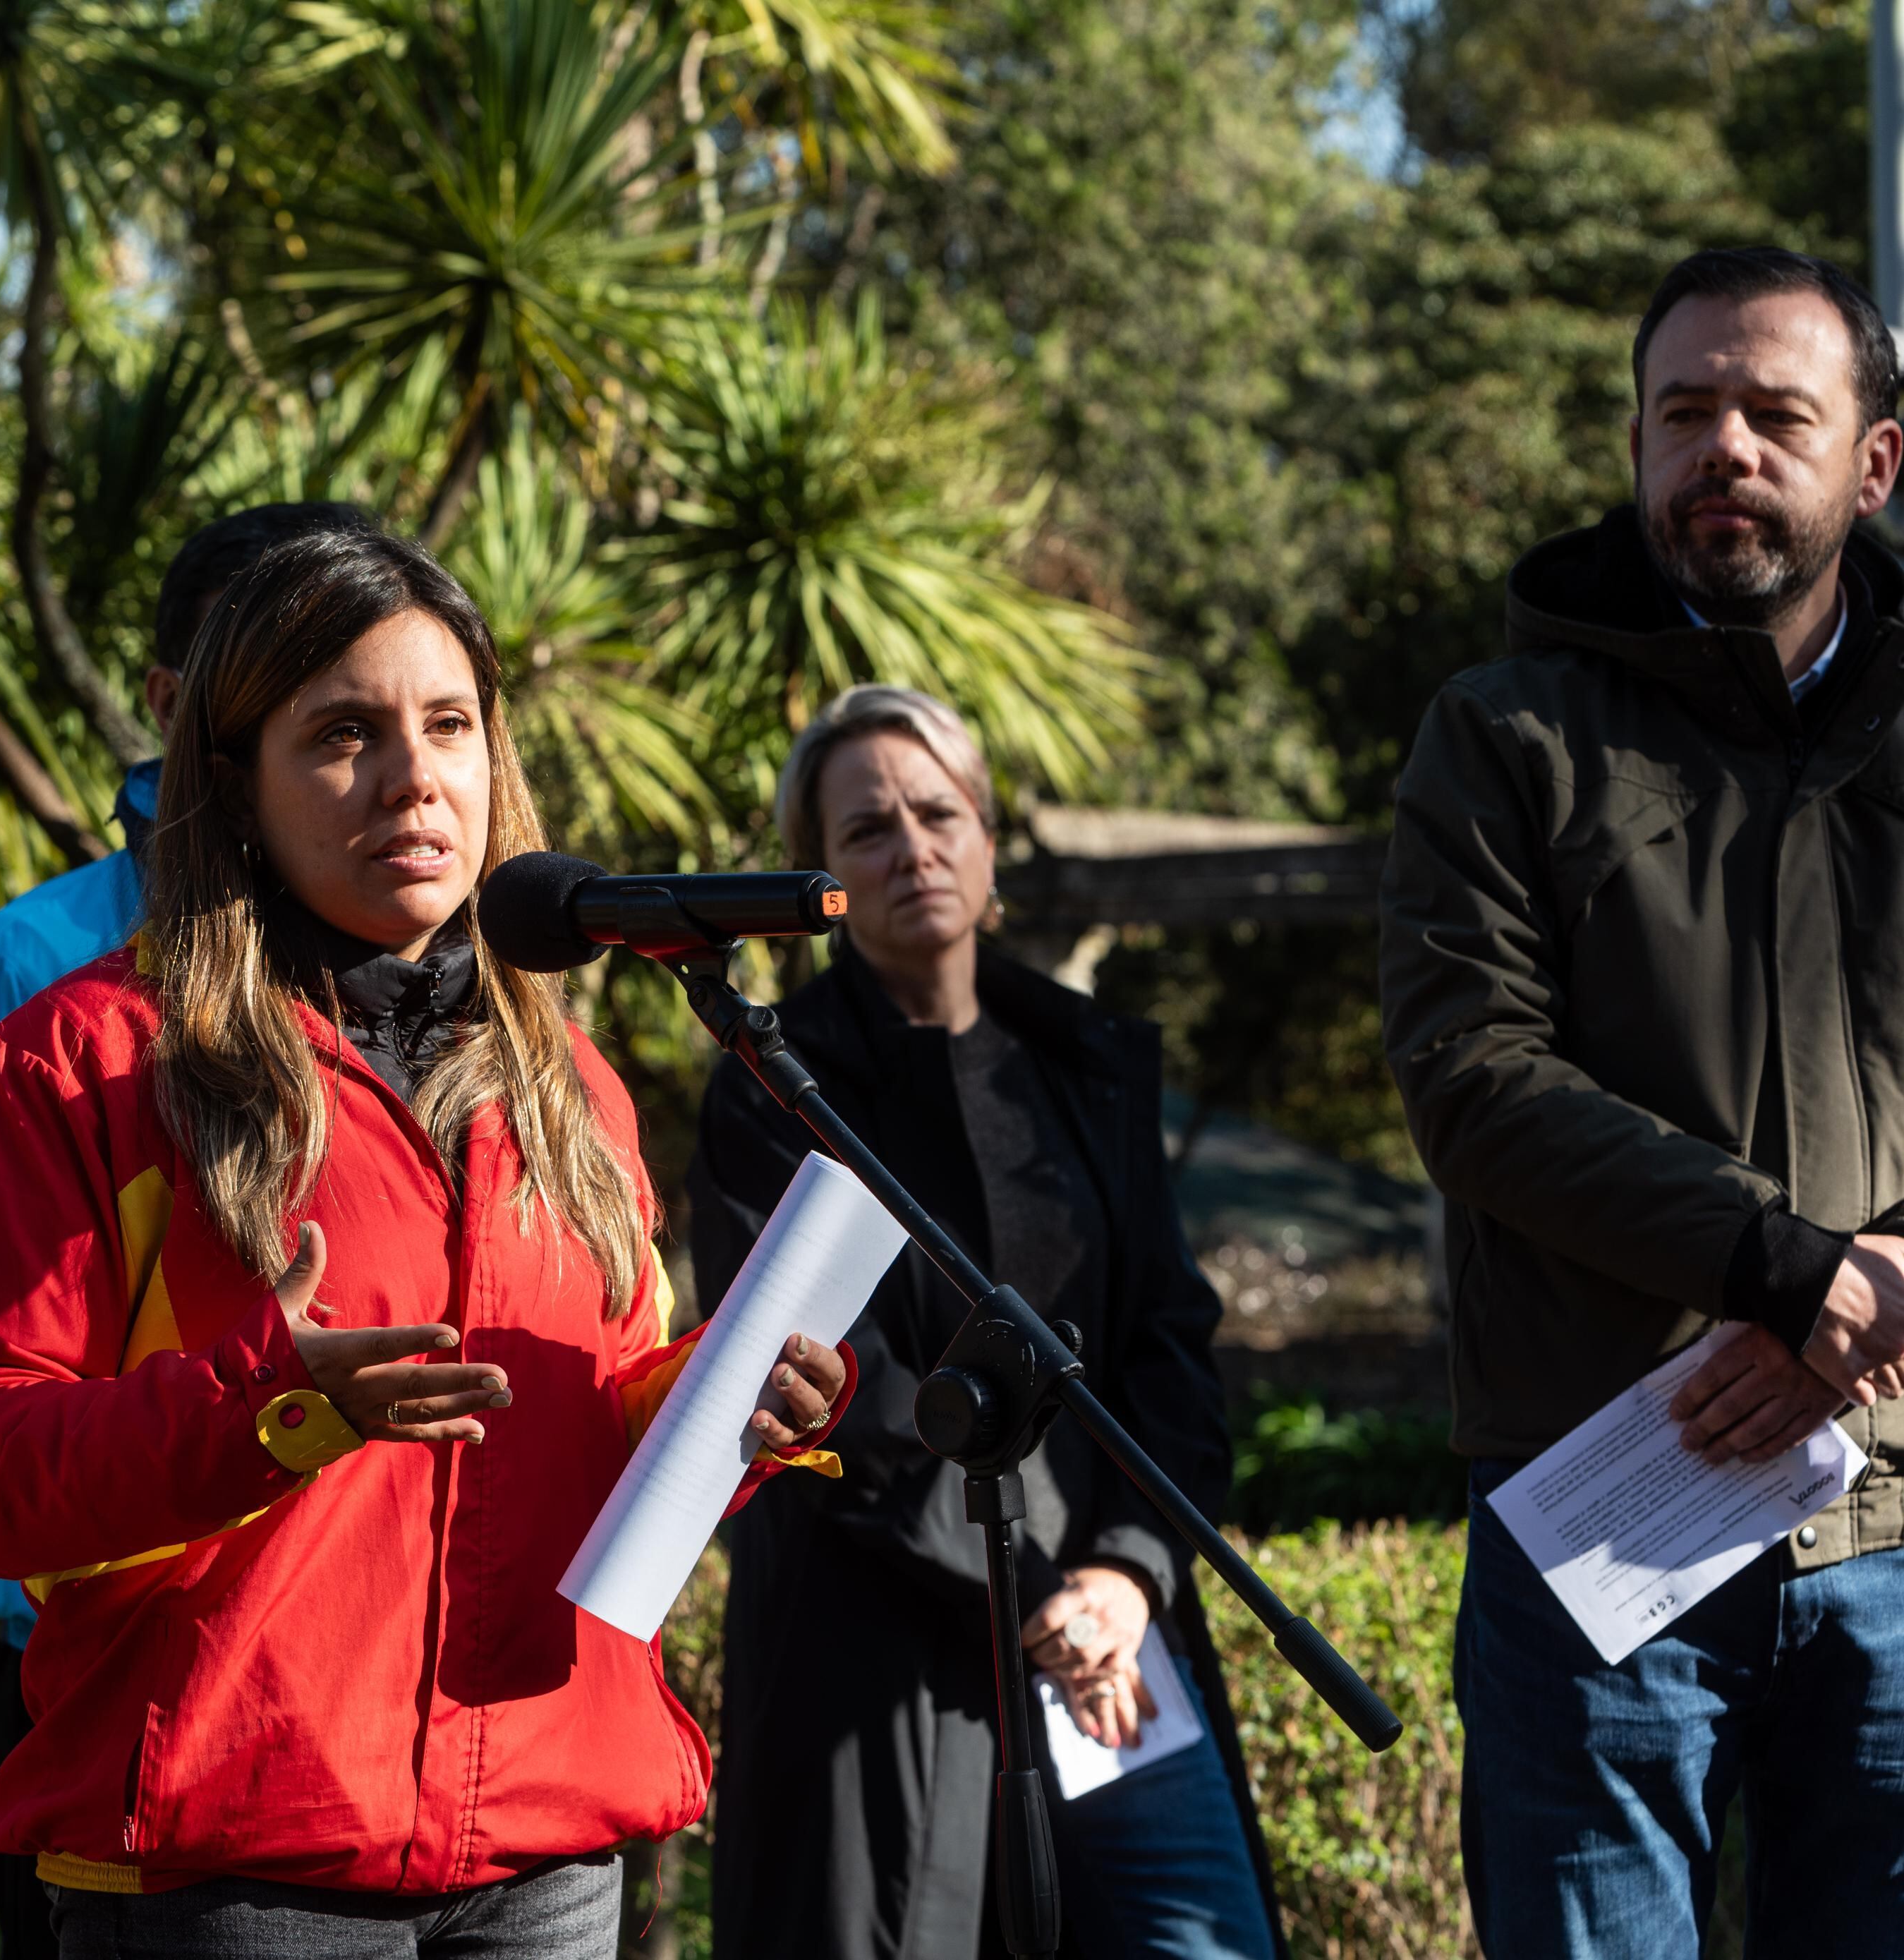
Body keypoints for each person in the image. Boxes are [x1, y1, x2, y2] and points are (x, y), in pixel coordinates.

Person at [0, 527, 853, 1956]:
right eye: (342, 734)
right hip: (233, 1871)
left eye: (449, 725)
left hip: (546, 1847)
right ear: (235, 786)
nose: (413, 777)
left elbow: (592, 1426)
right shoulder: (74, 1069)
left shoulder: (568, 1090)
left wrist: (719, 1410)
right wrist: (266, 1409)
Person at [1382, 245, 1904, 1956]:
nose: (1724, 448)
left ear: (1872, 461)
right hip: (1602, 1524)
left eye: (1775, 413)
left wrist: (1865, 1290)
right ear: (1633, 446)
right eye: (1684, 411)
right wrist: (1783, 1268)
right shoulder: (1503, 734)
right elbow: (1473, 1078)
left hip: (1898, 1518)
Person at [0, 501, 375, 1956]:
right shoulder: (36, 976)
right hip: (120, 1688)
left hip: (393, 1719)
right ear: (175, 708)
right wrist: (86, 1557)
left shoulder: (442, 982)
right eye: (262, 685)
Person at [693, 684, 1278, 1960]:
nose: (912, 846)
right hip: (884, 1649)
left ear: (990, 837)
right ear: (823, 875)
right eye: (867, 829)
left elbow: (1168, 1349)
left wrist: (1131, 1571)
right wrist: (1028, 1592)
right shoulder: (771, 1086)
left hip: (1109, 1635)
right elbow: (812, 1381)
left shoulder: (1083, 1064)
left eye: (938, 811)